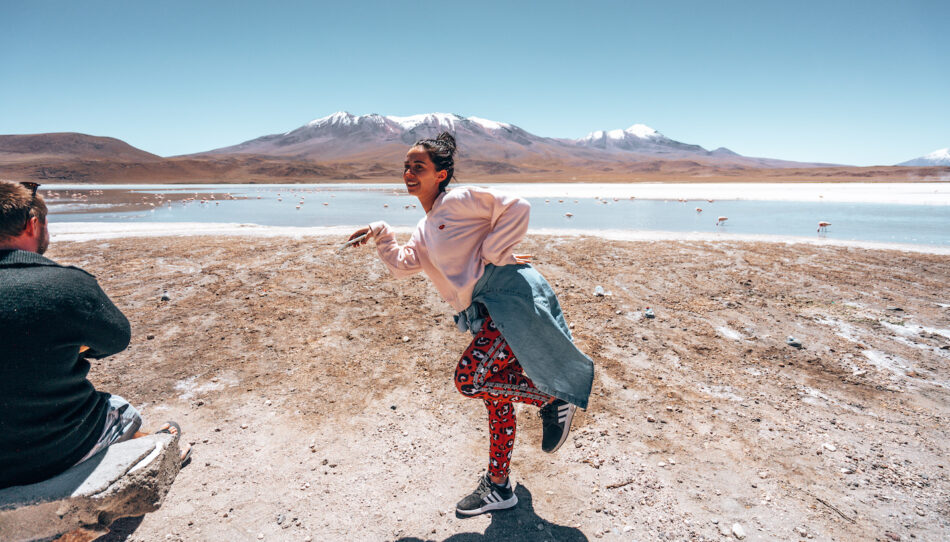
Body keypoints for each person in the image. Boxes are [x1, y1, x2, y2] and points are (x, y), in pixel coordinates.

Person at [347, 133, 595, 516]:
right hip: (484, 312)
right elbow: (400, 265)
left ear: (441, 174)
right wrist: (381, 231)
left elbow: (517, 206)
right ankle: (499, 487)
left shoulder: (457, 201)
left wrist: (495, 249)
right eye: (406, 166)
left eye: (419, 167)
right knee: (495, 398)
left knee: (470, 378)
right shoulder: (425, 229)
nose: (408, 173)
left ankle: (552, 398)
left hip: (509, 301)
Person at [0, 180, 188, 490]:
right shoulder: (66, 286)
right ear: (34, 225)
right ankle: (153, 452)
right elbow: (116, 338)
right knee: (121, 409)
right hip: (54, 452)